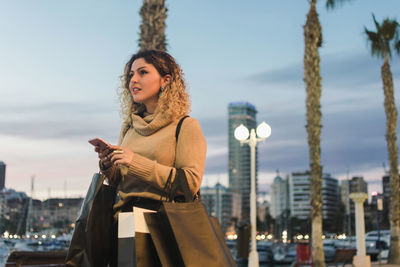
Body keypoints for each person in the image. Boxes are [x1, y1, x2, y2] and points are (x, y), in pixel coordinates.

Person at [94, 50, 207, 265]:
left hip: (163, 227)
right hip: (123, 223)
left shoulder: (185, 126)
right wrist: (109, 164)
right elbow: (121, 182)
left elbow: (189, 183)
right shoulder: (130, 127)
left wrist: (134, 161)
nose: (133, 80)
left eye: (143, 72)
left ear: (166, 80)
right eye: (130, 75)